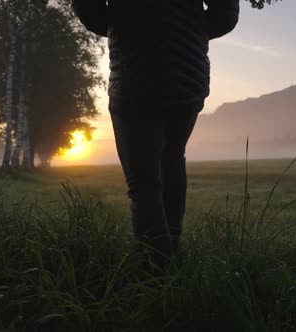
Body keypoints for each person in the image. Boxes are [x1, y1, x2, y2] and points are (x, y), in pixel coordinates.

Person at [72, 0, 240, 268]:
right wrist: (188, 33)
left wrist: (123, 25)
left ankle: (160, 273)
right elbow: (226, 13)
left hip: (135, 77)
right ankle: (172, 250)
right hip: (188, 80)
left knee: (144, 183)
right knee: (173, 158)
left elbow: (87, 7)